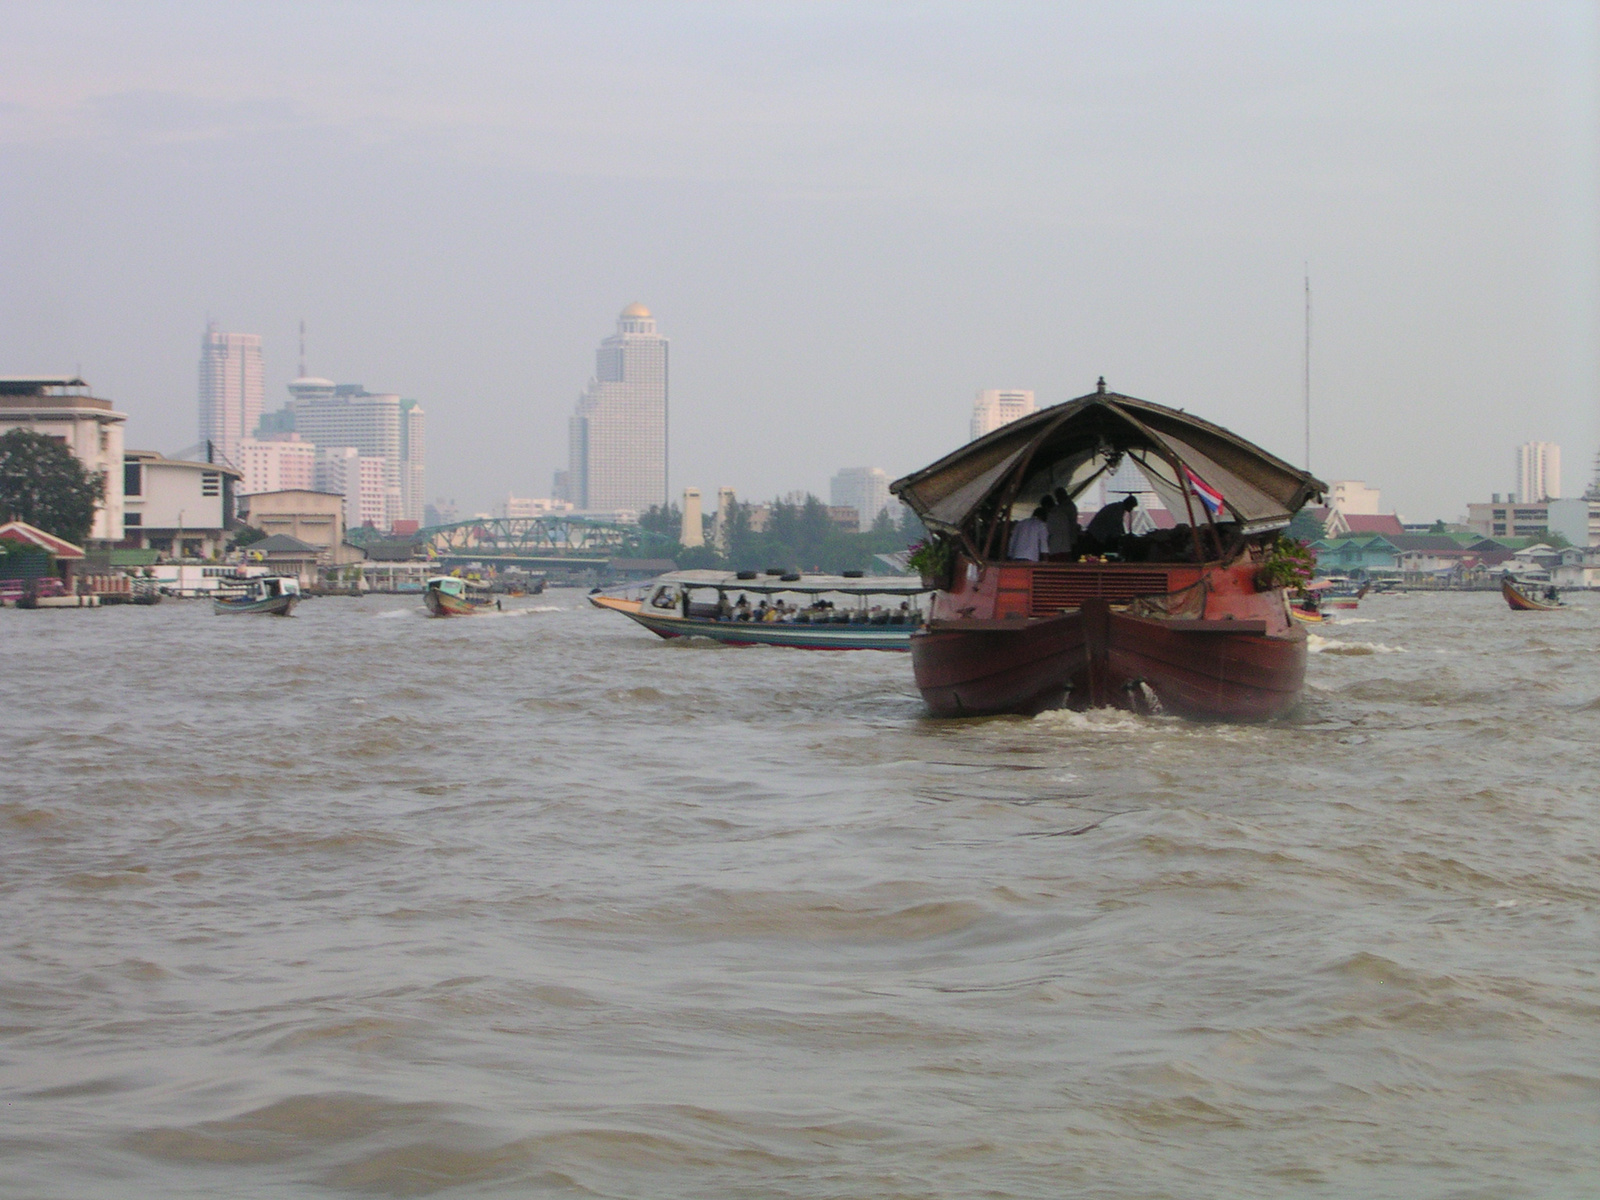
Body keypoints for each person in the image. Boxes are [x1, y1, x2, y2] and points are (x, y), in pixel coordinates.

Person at [1046, 487, 1078, 557]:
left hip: (1067, 539)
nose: (1057, 499)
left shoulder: (1064, 508)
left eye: (1057, 497)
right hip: (1066, 540)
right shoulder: (1068, 506)